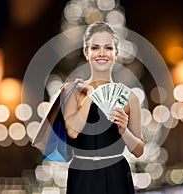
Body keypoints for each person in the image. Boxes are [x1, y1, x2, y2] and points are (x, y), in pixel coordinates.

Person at [62, 22, 144, 194]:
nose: (101, 53)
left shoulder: (130, 97)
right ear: (86, 52)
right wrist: (89, 96)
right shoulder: (72, 90)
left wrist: (123, 130)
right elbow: (73, 131)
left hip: (118, 174)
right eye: (95, 47)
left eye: (108, 48)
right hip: (82, 174)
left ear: (116, 53)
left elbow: (138, 150)